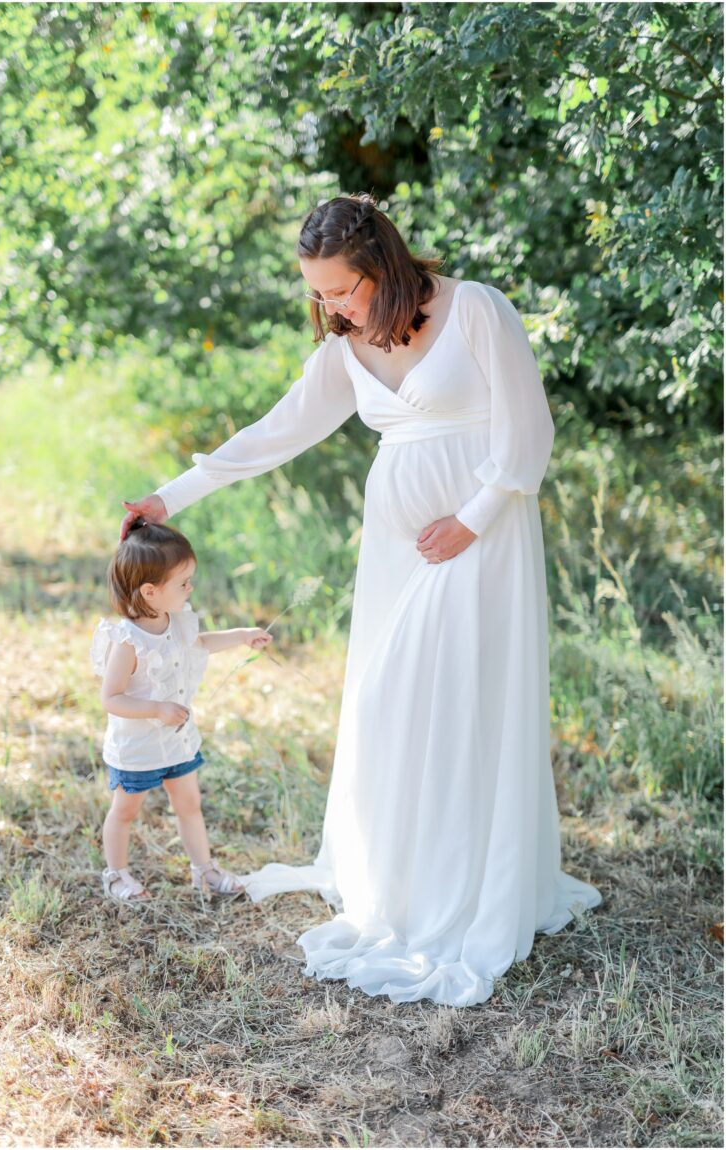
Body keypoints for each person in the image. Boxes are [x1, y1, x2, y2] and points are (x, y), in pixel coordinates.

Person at [120, 193, 602, 1003]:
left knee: (461, 700)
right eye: (321, 294)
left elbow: (530, 434)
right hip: (395, 551)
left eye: (345, 288)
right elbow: (270, 436)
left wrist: (473, 521)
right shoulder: (345, 350)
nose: (334, 307)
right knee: (390, 706)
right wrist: (171, 497)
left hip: (480, 537)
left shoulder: (477, 310)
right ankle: (400, 878)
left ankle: (467, 885)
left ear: (381, 262)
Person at [92, 519, 272, 901]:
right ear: (150, 591)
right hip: (138, 746)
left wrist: (241, 636)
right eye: (183, 582)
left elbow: (200, 642)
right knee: (124, 810)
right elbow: (111, 698)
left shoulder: (178, 620)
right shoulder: (126, 641)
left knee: (189, 803)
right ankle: (117, 875)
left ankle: (203, 870)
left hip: (177, 741)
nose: (191, 588)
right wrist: (156, 708)